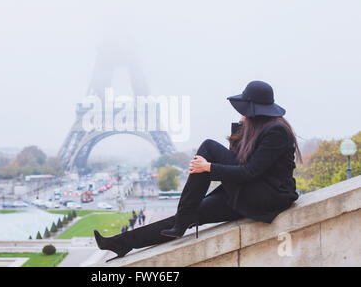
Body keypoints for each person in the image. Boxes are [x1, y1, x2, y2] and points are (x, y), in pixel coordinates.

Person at [94, 80, 302, 262]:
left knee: (208, 148)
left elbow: (249, 171)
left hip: (266, 197)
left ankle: (182, 218)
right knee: (193, 213)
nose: (241, 112)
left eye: (244, 108)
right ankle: (124, 243)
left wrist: (209, 167)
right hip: (250, 192)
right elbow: (239, 162)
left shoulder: (277, 132)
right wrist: (241, 129)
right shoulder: (258, 128)